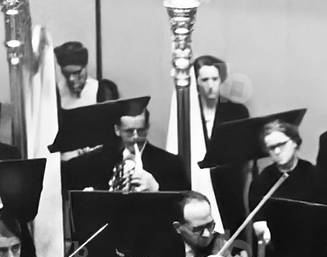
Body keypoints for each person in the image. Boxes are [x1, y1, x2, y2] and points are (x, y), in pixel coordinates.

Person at [249, 118, 326, 257]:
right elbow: (259, 221)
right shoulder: (261, 181)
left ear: (295, 142)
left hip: (314, 255)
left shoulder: (315, 175)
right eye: (271, 148)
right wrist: (262, 231)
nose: (277, 152)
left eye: (281, 145)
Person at [61, 105, 189, 193]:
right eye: (129, 131)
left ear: (148, 127)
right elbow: (67, 177)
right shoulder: (100, 159)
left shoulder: (171, 163)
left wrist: (157, 189)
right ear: (117, 130)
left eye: (141, 130)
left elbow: (184, 204)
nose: (135, 137)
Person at [193, 55, 250, 232]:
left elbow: (242, 153)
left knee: (233, 237)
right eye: (204, 79)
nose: (210, 85)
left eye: (215, 79)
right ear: (196, 81)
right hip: (197, 186)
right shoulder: (188, 114)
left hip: (229, 188)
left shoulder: (237, 111)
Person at [54, 41, 119, 109]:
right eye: (66, 74)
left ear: (85, 67)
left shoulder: (103, 91)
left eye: (77, 73)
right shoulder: (56, 93)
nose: (71, 79)